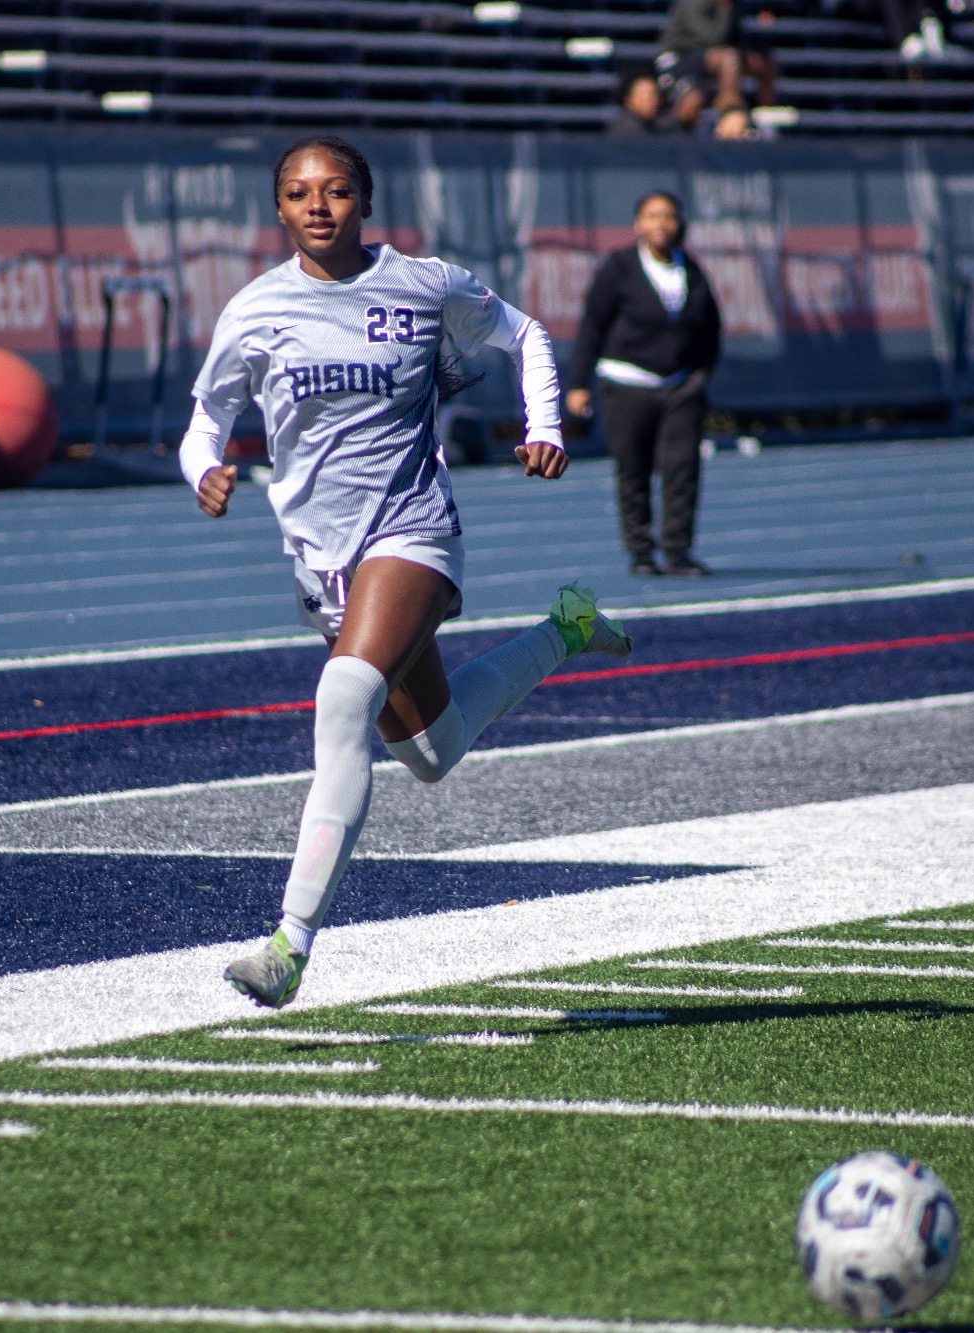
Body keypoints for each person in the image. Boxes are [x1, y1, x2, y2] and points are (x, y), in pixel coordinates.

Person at [180, 135, 634, 1009]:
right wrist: (204, 469)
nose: (319, 205)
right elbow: (207, 417)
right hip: (322, 556)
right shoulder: (254, 309)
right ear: (278, 210)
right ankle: (566, 630)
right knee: (431, 750)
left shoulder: (423, 285)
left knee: (342, 698)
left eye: (338, 190)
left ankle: (289, 943)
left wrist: (547, 423)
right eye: (301, 193)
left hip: (413, 530)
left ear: (365, 202)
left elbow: (527, 334)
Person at [566, 191, 723, 577]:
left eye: (668, 216)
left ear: (679, 224)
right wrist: (577, 383)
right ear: (638, 225)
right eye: (652, 216)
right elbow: (592, 327)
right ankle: (640, 551)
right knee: (633, 468)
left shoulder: (692, 270)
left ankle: (678, 551)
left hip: (680, 387)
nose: (661, 224)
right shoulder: (619, 268)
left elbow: (711, 329)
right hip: (626, 382)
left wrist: (699, 376)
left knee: (682, 467)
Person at [655, 0, 780, 128]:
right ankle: (729, 102)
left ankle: (766, 115)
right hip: (681, 56)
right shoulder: (694, 3)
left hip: (713, 57)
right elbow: (712, 38)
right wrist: (724, 8)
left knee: (764, 64)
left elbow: (738, 37)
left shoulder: (738, 5)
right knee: (729, 58)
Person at [609, 68, 675, 136]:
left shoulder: (652, 124)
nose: (651, 101)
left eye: (653, 94)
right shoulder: (628, 128)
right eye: (643, 95)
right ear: (628, 100)